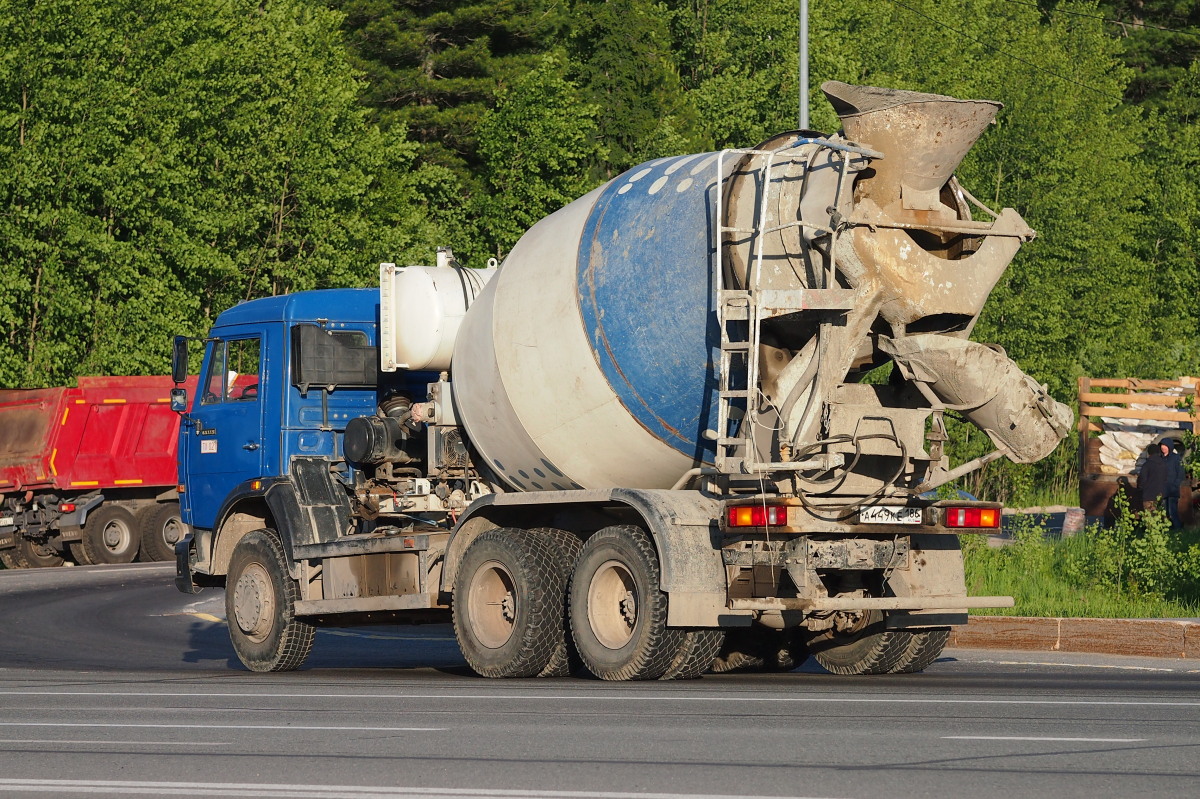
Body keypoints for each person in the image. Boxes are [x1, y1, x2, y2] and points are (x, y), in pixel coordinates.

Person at [1139, 438, 1184, 528]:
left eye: (1165, 446)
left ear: (1170, 447)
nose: (1163, 447)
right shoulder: (1160, 458)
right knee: (1163, 512)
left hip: (1172, 489)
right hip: (1162, 490)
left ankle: (1178, 530)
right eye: (1161, 445)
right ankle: (1168, 531)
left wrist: (1175, 484)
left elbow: (1181, 473)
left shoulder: (1175, 458)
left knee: (1172, 512)